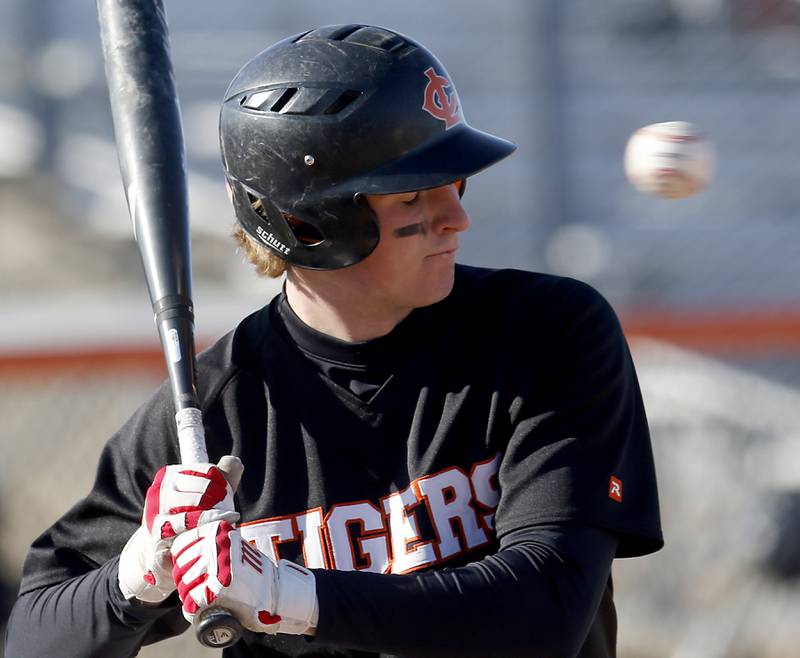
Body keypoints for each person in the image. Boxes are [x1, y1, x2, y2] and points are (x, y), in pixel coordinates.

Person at [5, 23, 662, 658]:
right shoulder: (214, 412)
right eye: (413, 197)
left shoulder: (546, 334)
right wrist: (138, 578)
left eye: (452, 183)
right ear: (308, 222)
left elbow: (545, 611)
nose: (457, 217)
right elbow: (34, 639)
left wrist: (293, 595)